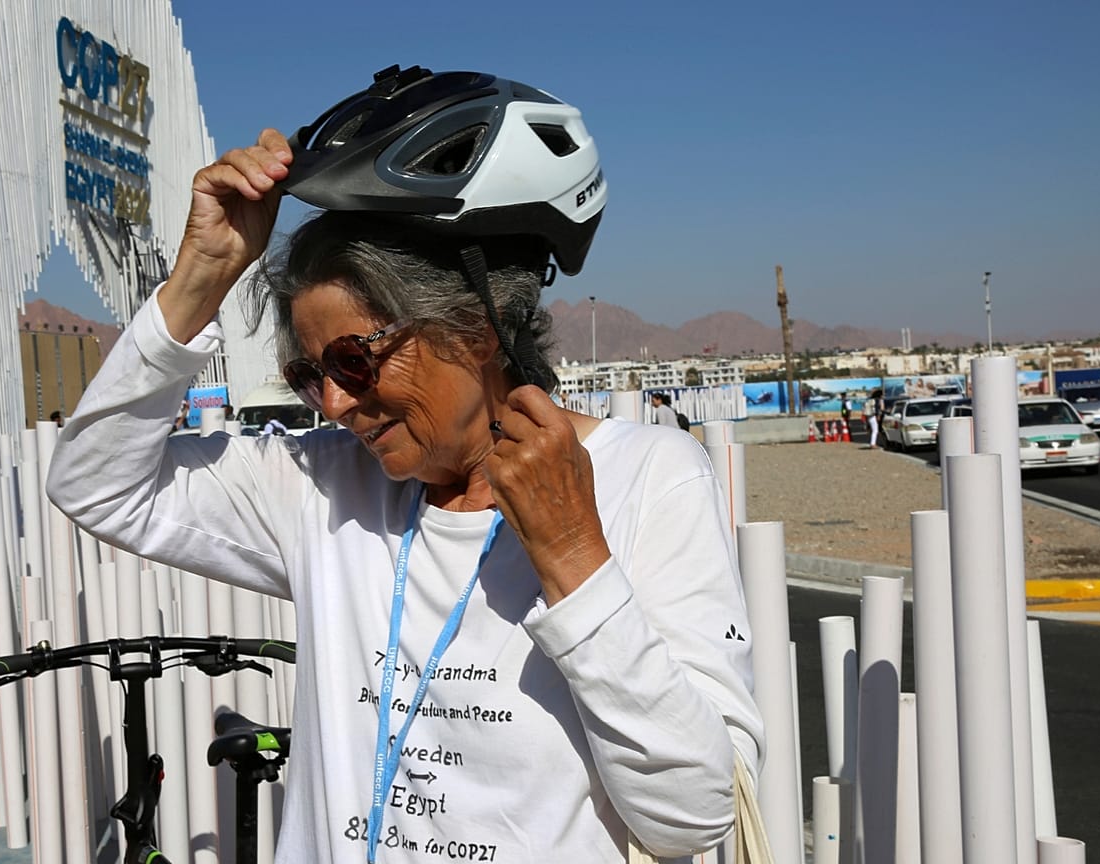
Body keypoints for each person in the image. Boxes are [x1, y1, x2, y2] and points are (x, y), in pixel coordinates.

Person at [48, 65, 761, 861]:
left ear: (479, 328)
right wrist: (201, 278)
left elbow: (694, 817)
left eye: (355, 361)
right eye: (308, 375)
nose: (335, 406)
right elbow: (95, 484)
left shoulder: (648, 479)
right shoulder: (321, 484)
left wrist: (572, 556)